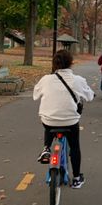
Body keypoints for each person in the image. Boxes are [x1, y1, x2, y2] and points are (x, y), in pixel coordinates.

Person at [33, 50, 94, 188]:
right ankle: (77, 179)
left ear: (54, 63)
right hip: (70, 121)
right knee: (75, 147)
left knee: (48, 122)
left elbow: (35, 95)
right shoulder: (78, 80)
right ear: (71, 63)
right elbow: (89, 97)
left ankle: (46, 149)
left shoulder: (46, 79)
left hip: (49, 120)